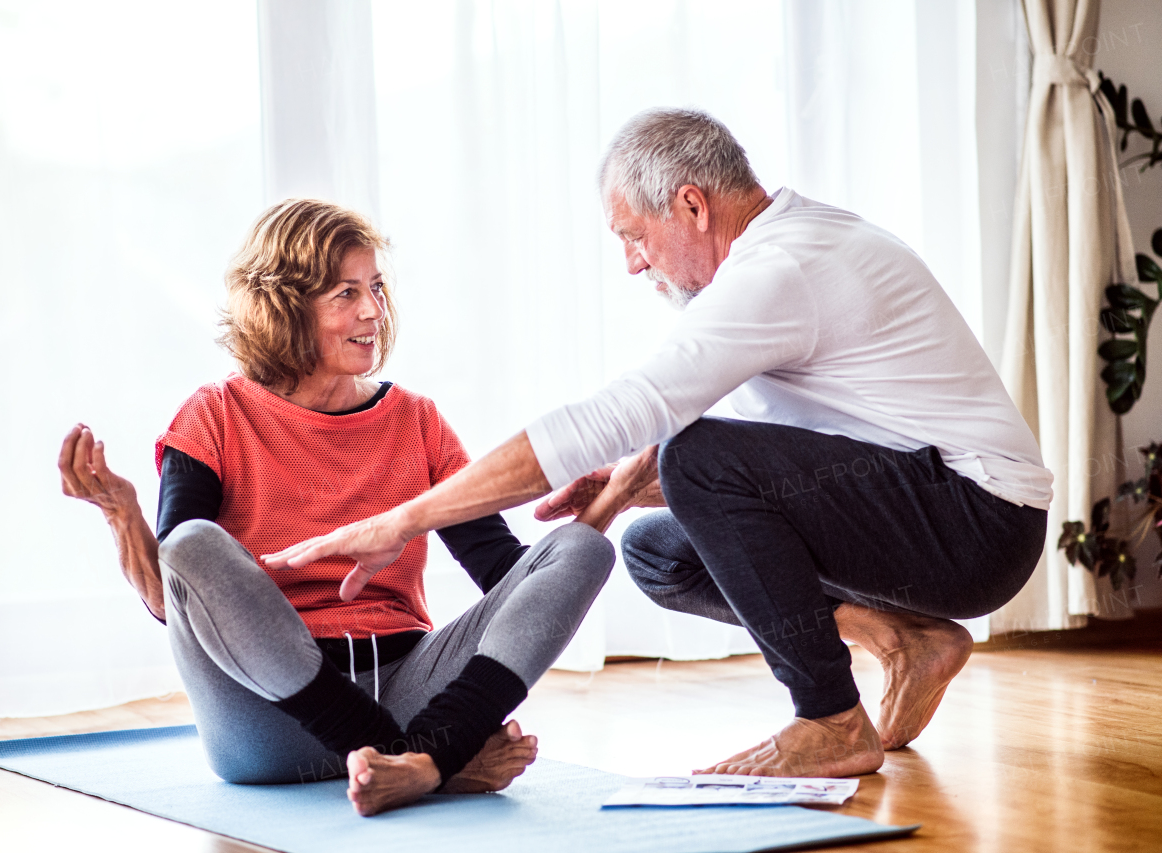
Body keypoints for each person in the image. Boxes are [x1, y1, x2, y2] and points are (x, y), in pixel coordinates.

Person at [264, 108, 1053, 782]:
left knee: (698, 460)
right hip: (933, 507)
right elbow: (726, 449)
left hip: (978, 521)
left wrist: (399, 521)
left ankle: (830, 720)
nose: (633, 262)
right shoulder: (776, 253)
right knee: (659, 552)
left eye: (634, 236)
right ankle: (905, 639)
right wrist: (614, 493)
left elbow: (640, 419)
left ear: (691, 205)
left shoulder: (781, 270)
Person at [58, 199, 617, 816]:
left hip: (406, 688)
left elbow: (505, 577)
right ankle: (431, 759)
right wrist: (122, 512)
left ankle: (420, 759)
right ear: (284, 308)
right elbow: (178, 600)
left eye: (375, 287)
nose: (373, 311)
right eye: (345, 294)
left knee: (582, 546)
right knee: (189, 544)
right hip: (268, 722)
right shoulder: (216, 414)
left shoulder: (417, 420)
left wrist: (606, 505)